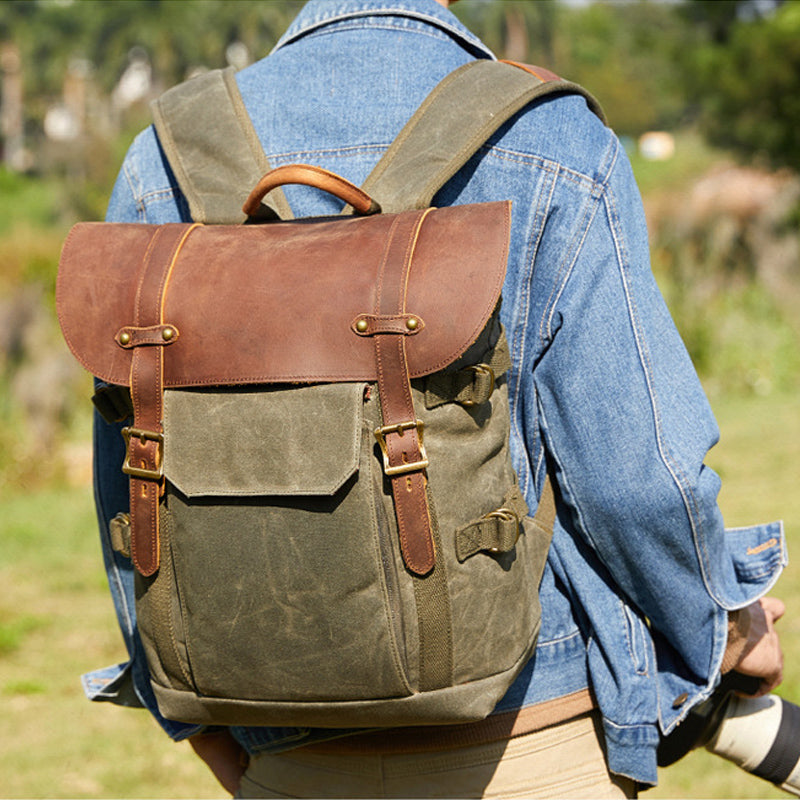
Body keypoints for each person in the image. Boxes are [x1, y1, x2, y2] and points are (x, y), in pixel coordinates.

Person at [88, 0, 787, 797]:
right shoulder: (548, 135)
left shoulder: (166, 155)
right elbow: (637, 477)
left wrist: (191, 719)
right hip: (527, 741)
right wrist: (725, 628)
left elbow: (130, 490)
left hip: (285, 753)